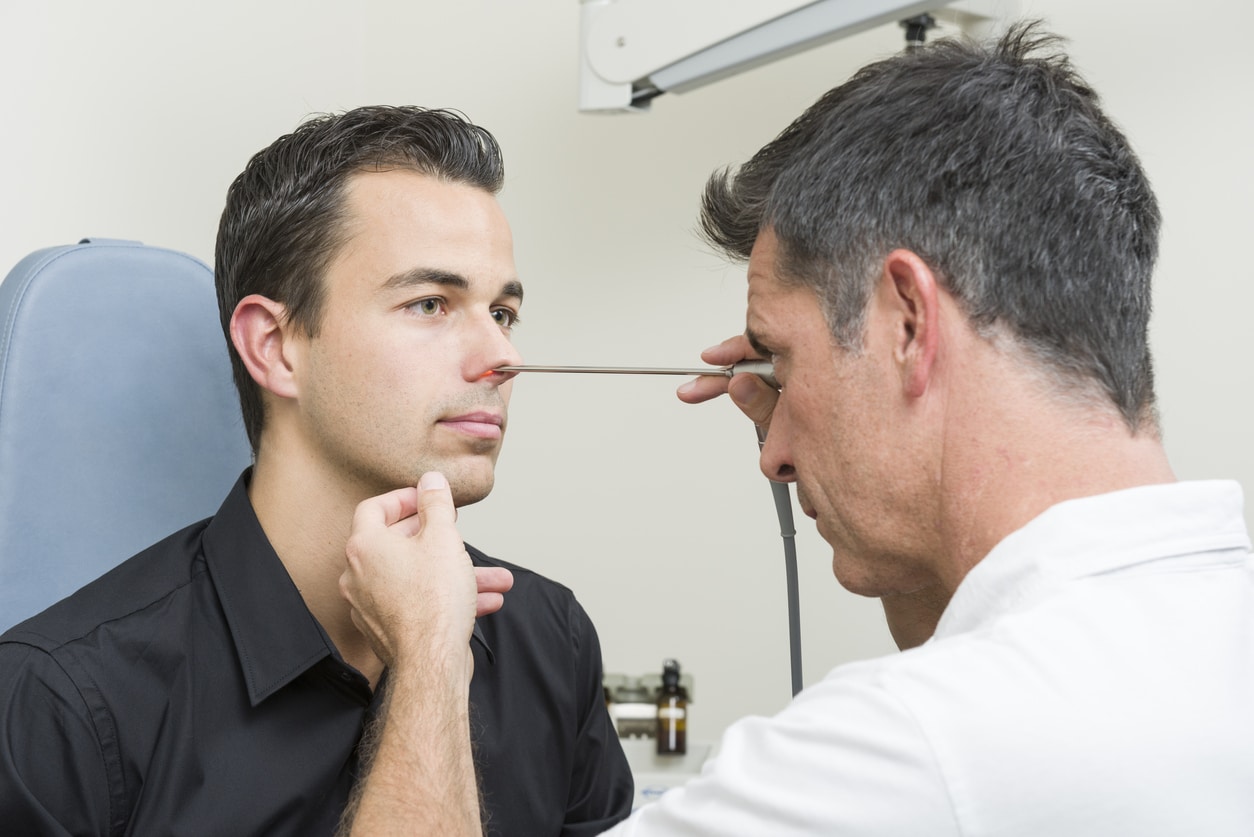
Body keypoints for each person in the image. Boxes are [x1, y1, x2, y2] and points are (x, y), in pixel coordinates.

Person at [334, 24, 1254, 836]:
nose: (772, 452)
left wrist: (425, 657)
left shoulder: (906, 752)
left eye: (781, 358)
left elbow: (953, 740)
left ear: (906, 322)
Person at [0, 106, 632, 836]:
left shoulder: (550, 638)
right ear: (273, 345)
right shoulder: (60, 705)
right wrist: (430, 659)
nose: (500, 356)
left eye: (503, 312)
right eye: (431, 303)